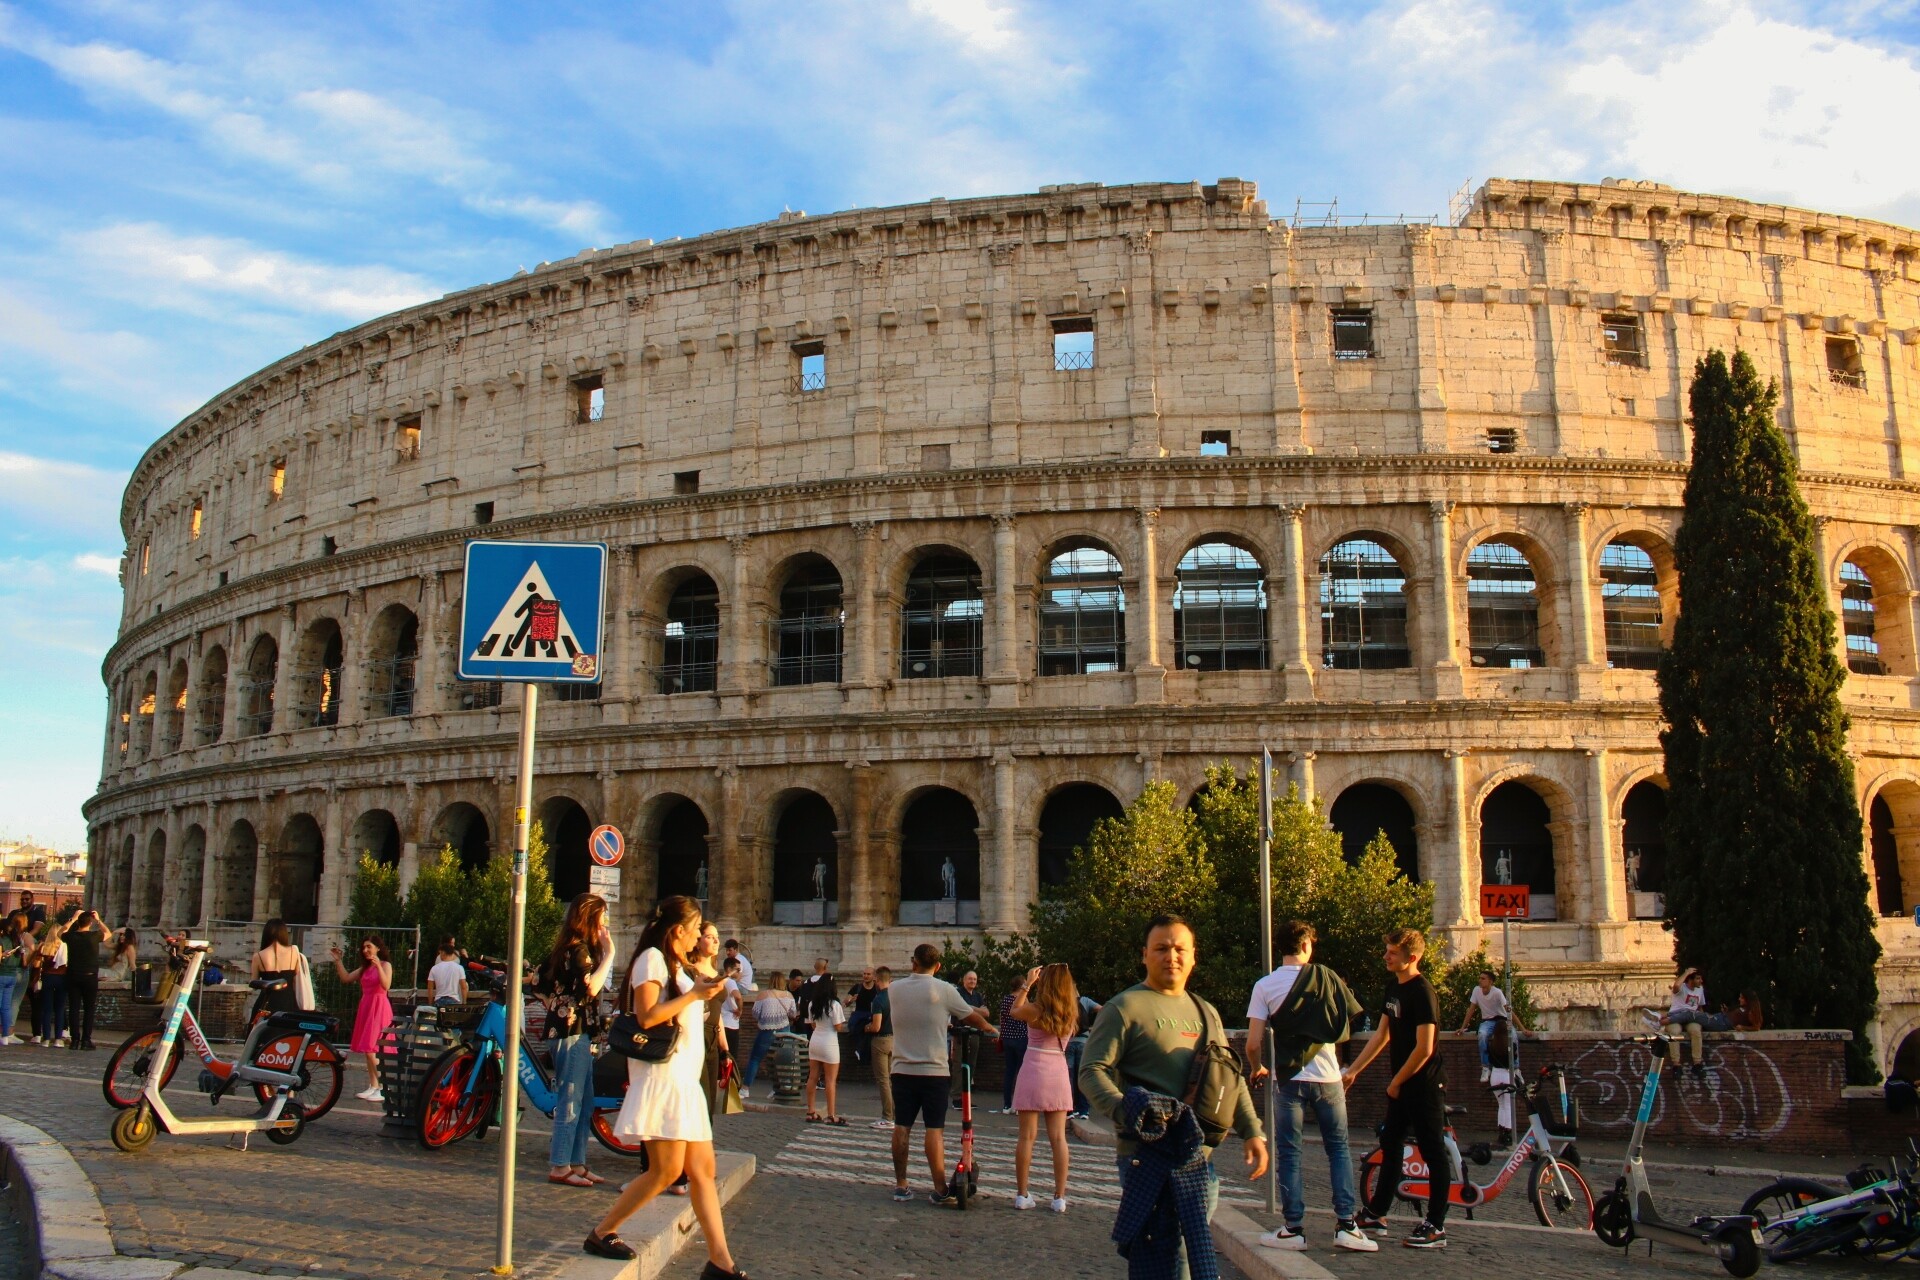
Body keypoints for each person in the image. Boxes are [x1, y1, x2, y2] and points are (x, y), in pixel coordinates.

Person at [1080, 915, 1268, 1280]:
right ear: (1145, 954)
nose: (1172, 957)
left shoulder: (1206, 1011)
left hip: (1200, 1162)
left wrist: (1252, 1132)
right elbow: (1091, 1071)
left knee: (1186, 1257)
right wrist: (1125, 1110)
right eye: (1162, 948)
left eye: (1180, 949)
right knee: (1166, 1260)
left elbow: (1229, 1078)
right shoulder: (1124, 1007)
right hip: (1148, 1157)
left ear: (1194, 956)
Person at [592, 895, 745, 1278]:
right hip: (664, 1078)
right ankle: (602, 1231)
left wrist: (701, 990)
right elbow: (647, 1016)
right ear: (677, 931)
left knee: (703, 1171)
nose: (697, 937)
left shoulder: (675, 964)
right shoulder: (652, 960)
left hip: (683, 1079)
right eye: (694, 930)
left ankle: (720, 1262)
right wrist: (694, 995)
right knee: (664, 1171)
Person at [1246, 919, 1374, 1254]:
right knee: (1338, 1150)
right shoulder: (1327, 977)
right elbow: (1347, 1022)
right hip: (1328, 1078)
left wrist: (1258, 1067)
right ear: (1306, 945)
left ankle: (1293, 1229)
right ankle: (1346, 1226)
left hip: (1288, 1080)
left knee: (1290, 1153)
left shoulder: (1265, 986)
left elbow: (1253, 1043)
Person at [1344, 928, 1450, 1249]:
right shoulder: (1393, 988)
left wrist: (1396, 1081)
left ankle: (1436, 1225)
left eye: (1392, 953)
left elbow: (1425, 1048)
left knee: (1433, 1151)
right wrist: (1353, 1071)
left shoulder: (1423, 992)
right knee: (1390, 1143)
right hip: (1401, 1086)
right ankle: (1376, 1213)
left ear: (1412, 957)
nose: (1385, 957)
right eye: (1387, 951)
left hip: (1424, 1085)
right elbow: (1381, 1036)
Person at [887, 942, 994, 1204]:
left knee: (902, 1126)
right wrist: (991, 1029)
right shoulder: (944, 990)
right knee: (934, 1130)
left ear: (913, 962)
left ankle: (901, 1184)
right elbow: (971, 1017)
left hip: (901, 1068)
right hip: (934, 1069)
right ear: (938, 966)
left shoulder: (894, 988)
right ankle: (939, 1188)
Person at [537, 893, 615, 1188]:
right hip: (571, 1033)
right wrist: (610, 954)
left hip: (572, 1031)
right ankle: (560, 1166)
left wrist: (552, 1003)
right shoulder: (578, 950)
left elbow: (538, 981)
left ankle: (577, 1163)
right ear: (590, 917)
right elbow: (591, 988)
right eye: (603, 915)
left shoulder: (566, 947)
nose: (605, 922)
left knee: (585, 1102)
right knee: (571, 1101)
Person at [1007, 963, 1076, 1213]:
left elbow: (1014, 1011)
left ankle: (1022, 1194)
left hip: (1033, 1068)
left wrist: (1027, 984)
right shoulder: (1070, 1012)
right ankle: (1059, 1197)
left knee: (1026, 1136)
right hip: (1057, 1071)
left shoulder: (1035, 1010)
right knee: (1058, 1138)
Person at [330, 934, 393, 1101]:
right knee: (367, 1050)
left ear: (377, 948)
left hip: (379, 1008)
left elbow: (386, 985)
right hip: (367, 1006)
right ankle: (373, 1085)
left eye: (369, 947)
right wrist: (338, 961)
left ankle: (383, 1087)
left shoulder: (385, 965)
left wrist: (378, 965)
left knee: (372, 1049)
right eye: (364, 947)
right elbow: (346, 978)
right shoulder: (364, 968)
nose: (365, 950)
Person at [1460, 969, 1525, 1082]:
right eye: (1480, 978)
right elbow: (1471, 1010)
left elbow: (1508, 1010)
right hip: (1487, 1021)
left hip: (1502, 1020)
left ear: (1490, 981)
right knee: (1482, 1034)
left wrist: (1522, 1028)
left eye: (1483, 978)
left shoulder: (1497, 992)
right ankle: (1486, 1067)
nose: (1480, 980)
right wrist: (1463, 1027)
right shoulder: (1476, 990)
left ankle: (1516, 1068)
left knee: (1513, 1036)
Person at [60, 907, 108, 1050]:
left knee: (74, 1008)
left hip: (73, 976)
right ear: (90, 923)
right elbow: (108, 933)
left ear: (78, 922)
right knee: (89, 1009)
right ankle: (86, 1040)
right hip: (90, 976)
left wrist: (73, 918)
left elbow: (59, 932)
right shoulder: (94, 936)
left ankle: (75, 1040)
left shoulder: (71, 936)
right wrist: (99, 920)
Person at [803, 975, 848, 1124]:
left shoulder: (812, 1003)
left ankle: (811, 1111)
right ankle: (831, 1115)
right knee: (830, 1080)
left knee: (812, 1077)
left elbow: (812, 1024)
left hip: (815, 1040)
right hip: (830, 1042)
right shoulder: (834, 1004)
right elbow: (838, 1026)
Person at [741, 980, 796, 1097]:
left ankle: (745, 1089)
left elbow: (755, 1013)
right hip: (784, 1030)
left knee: (755, 1059)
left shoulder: (763, 995)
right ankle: (781, 1087)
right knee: (782, 1059)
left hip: (767, 1030)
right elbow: (793, 1014)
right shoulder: (789, 995)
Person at [250, 920, 304, 1019]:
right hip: (288, 1002)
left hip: (266, 1003)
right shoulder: (294, 951)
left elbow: (254, 982)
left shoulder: (258, 956)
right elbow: (297, 974)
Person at [865, 966, 896, 1130]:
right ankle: (895, 1115)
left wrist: (867, 1027)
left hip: (880, 1041)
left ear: (877, 980)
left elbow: (876, 1026)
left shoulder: (878, 1000)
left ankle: (887, 1116)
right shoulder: (896, 997)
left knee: (883, 1080)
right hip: (894, 1039)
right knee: (892, 1080)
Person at [1065, 991, 1102, 1119]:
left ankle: (1069, 1109)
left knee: (1069, 1078)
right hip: (1083, 1042)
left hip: (1068, 1041)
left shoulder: (1063, 1002)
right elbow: (1103, 1009)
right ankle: (1084, 1110)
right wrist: (1093, 1027)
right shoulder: (1085, 1001)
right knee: (1082, 1076)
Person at [995, 978, 1028, 1115]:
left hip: (1008, 1038)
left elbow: (1002, 1017)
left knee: (1009, 1071)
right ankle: (1018, 1105)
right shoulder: (1023, 1000)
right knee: (1022, 1072)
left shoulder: (1005, 999)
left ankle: (1007, 1105)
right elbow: (1028, 1017)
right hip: (1021, 1037)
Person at [36, 922, 70, 1046]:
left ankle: (46, 1039)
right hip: (62, 978)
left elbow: (37, 963)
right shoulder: (65, 946)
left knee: (47, 1010)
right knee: (60, 1009)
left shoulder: (44, 946)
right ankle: (58, 1039)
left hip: (47, 978)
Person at [0, 911, 29, 1046]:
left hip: (2, 974)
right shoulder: (17, 941)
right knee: (6, 1008)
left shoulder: (2, 940)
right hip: (12, 976)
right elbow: (23, 961)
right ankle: (6, 1036)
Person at [849, 966, 879, 1065]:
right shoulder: (857, 987)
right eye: (864, 974)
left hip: (872, 1016)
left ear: (874, 976)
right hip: (859, 1015)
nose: (865, 976)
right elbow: (846, 1002)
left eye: (868, 974)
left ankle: (861, 1052)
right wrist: (851, 1000)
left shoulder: (877, 988)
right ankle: (860, 1051)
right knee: (857, 1028)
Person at [428, 937, 469, 1006]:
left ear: (443, 953)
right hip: (454, 1000)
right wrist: (464, 1003)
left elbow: (430, 988)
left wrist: (430, 1004)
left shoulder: (434, 968)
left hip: (439, 1000)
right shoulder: (459, 968)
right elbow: (464, 987)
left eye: (440, 953)